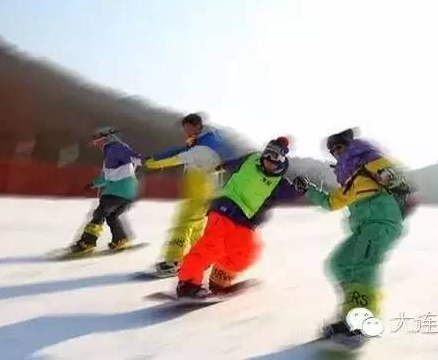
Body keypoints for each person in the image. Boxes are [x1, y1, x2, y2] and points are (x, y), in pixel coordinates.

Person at [299, 128, 417, 349]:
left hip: (382, 221)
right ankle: (351, 310)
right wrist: (308, 189)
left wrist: (392, 179)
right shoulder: (349, 178)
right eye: (332, 150)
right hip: (363, 228)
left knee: (364, 266)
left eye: (339, 147)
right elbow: (332, 203)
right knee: (339, 264)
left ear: (349, 146)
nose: (336, 152)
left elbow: (394, 177)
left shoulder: (367, 159)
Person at [175, 136, 308, 298]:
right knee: (212, 246)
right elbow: (232, 164)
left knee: (248, 252)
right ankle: (188, 283)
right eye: (267, 155)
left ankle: (219, 279)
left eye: (275, 158)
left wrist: (300, 188)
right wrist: (218, 167)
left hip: (245, 222)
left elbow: (292, 193)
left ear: (281, 160)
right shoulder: (251, 160)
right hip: (225, 207)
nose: (269, 161)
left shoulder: (279, 184)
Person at [143, 113, 233, 276]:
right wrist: (155, 157)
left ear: (197, 126)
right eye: (184, 129)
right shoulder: (206, 142)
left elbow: (176, 158)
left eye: (188, 128)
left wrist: (152, 162)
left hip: (200, 190)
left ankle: (174, 261)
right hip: (206, 191)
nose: (186, 132)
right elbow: (180, 150)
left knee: (183, 223)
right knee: (196, 226)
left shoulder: (202, 148)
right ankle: (201, 258)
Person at [67, 127, 143, 255]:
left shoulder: (114, 148)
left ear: (106, 138)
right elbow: (108, 176)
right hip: (128, 192)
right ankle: (121, 239)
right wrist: (94, 184)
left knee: (99, 214)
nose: (97, 144)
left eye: (98, 140)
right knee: (112, 216)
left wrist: (141, 159)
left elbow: (129, 155)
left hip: (118, 191)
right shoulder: (110, 152)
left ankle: (87, 243)